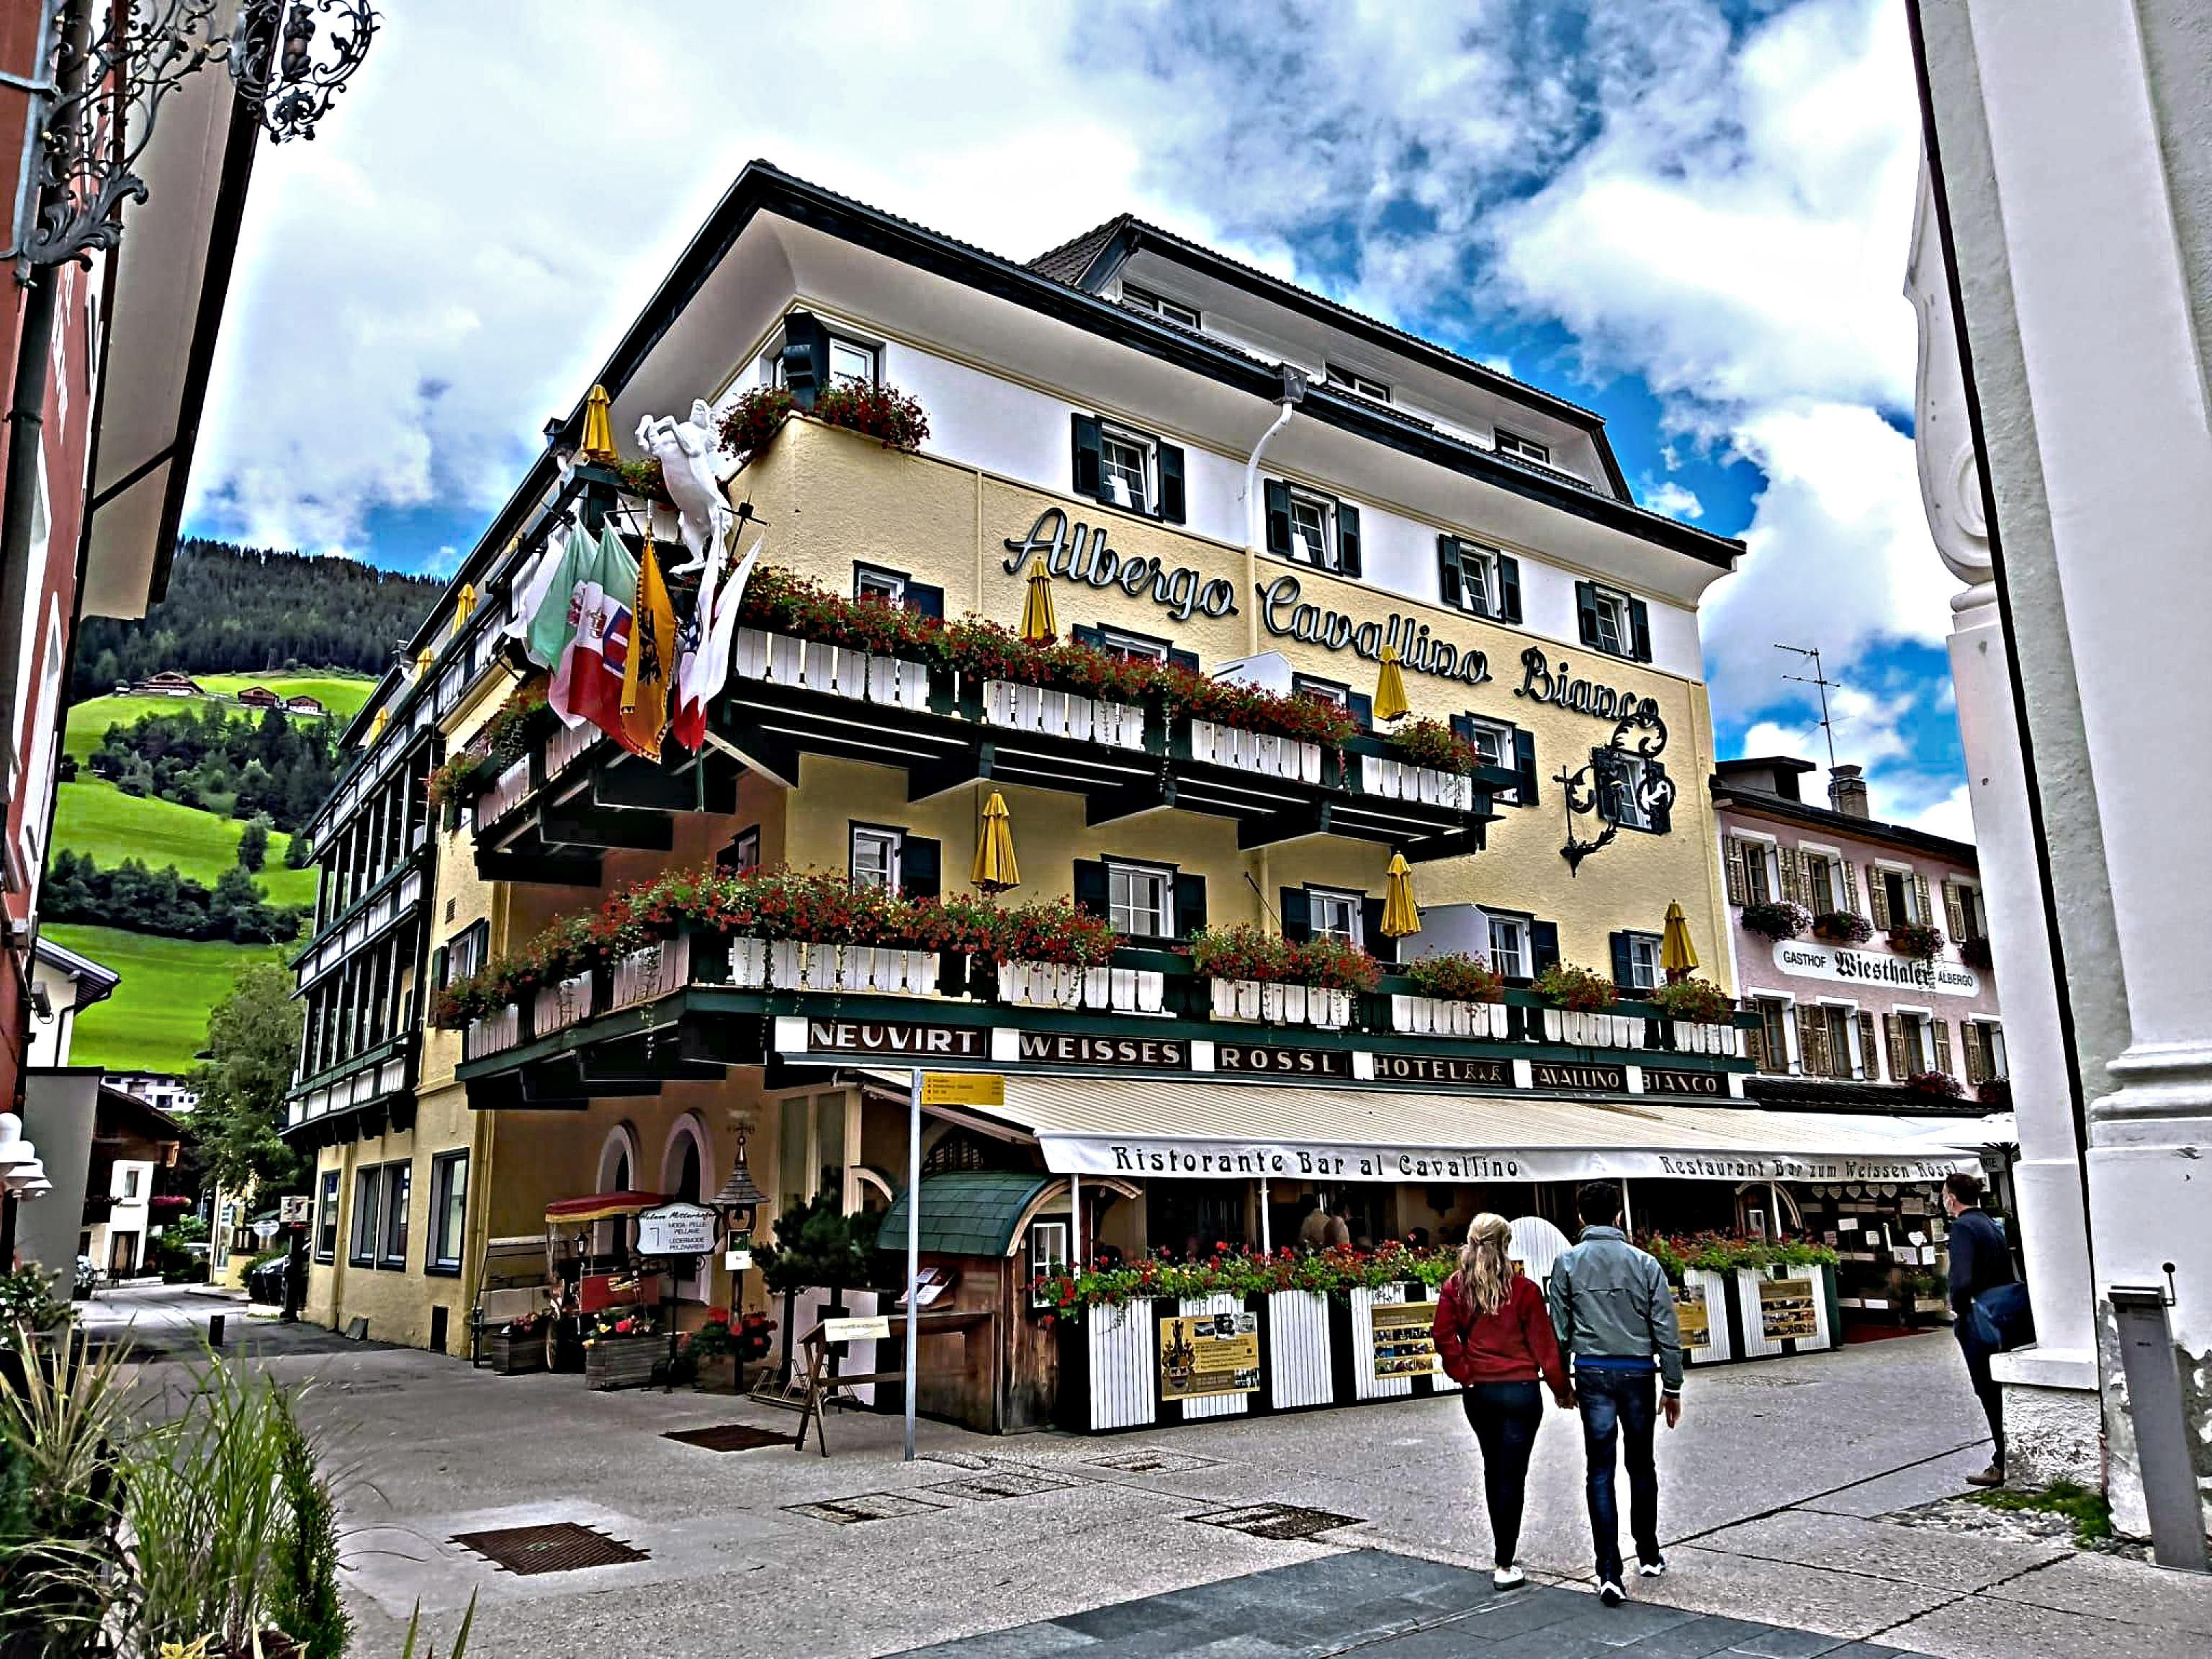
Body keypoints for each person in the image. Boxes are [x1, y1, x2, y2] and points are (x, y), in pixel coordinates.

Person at [1547, 1182, 1683, 1607]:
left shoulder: (1567, 1263)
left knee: (1599, 1468)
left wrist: (1560, 1379)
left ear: (1582, 1216)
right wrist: (1672, 1385)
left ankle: (1608, 1569)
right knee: (1641, 1464)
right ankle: (1648, 1552)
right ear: (1620, 1216)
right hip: (1639, 1373)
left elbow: (1559, 1328)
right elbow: (1666, 1326)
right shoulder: (1645, 1264)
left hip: (1591, 1372)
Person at [1432, 1214, 1574, 1588]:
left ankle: (1504, 1559)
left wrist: (1466, 1374)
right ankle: (1505, 1560)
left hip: (1481, 1392)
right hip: (1522, 1390)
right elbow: (1544, 1346)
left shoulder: (1456, 1288)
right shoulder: (1524, 1290)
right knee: (1514, 1473)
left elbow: (1444, 1336)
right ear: (1507, 1244)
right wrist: (1561, 1389)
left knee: (1494, 1469)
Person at [1943, 1170, 2016, 1488]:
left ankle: (2001, 1460)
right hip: (2002, 1310)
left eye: (1944, 1195)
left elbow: (1962, 1278)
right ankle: (2007, 1454)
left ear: (1952, 1197)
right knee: (1998, 1386)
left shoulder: (1962, 1227)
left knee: (1987, 1388)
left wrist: (1958, 1306)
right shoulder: (1990, 1223)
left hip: (1979, 1315)